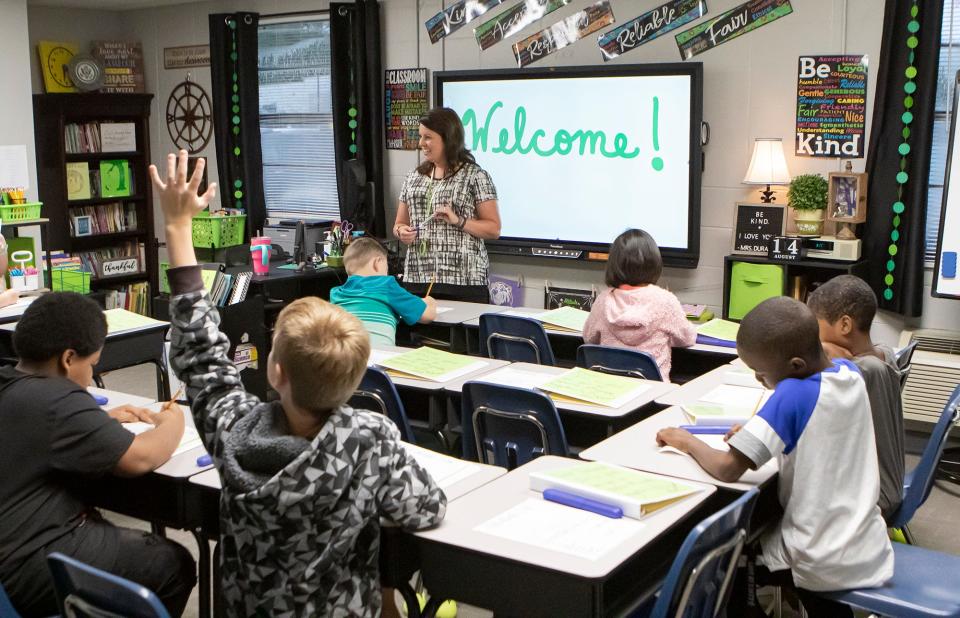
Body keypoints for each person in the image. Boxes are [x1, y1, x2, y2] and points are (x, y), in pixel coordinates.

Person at [153, 151, 446, 616]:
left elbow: (200, 354)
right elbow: (426, 509)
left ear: (275, 370)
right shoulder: (368, 440)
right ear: (355, 381)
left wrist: (177, 228)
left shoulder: (234, 430)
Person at [657, 297, 893, 616]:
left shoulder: (793, 393)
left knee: (739, 547)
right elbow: (818, 428)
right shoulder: (849, 373)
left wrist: (686, 441)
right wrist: (758, 432)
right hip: (866, 542)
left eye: (760, 372)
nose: (759, 379)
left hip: (820, 556)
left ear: (795, 366)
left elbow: (727, 468)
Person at [0, 292, 194, 617]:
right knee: (170, 563)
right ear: (67, 359)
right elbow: (140, 457)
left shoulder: (11, 381)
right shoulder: (58, 398)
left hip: (7, 559)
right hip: (26, 565)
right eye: (91, 365)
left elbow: (36, 430)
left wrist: (97, 421)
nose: (92, 376)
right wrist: (173, 422)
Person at [807, 274, 905, 523]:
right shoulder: (881, 357)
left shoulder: (861, 373)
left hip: (871, 500)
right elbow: (881, 353)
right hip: (887, 489)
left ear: (845, 326)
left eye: (815, 325)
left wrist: (822, 353)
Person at [393, 107, 501, 303]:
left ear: (448, 138)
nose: (421, 144)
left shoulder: (475, 176)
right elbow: (399, 223)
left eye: (428, 137)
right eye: (420, 137)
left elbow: (493, 229)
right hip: (417, 278)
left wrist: (458, 220)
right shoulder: (413, 177)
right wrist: (402, 232)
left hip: (464, 281)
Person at [583, 229, 696, 381]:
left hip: (610, 389)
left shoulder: (603, 301)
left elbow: (589, 338)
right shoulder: (666, 301)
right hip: (653, 394)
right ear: (654, 262)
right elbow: (687, 338)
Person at [330, 237, 437, 346]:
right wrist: (430, 302)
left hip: (342, 358)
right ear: (377, 263)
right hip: (378, 358)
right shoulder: (386, 285)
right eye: (386, 269)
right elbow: (427, 316)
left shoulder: (336, 294)